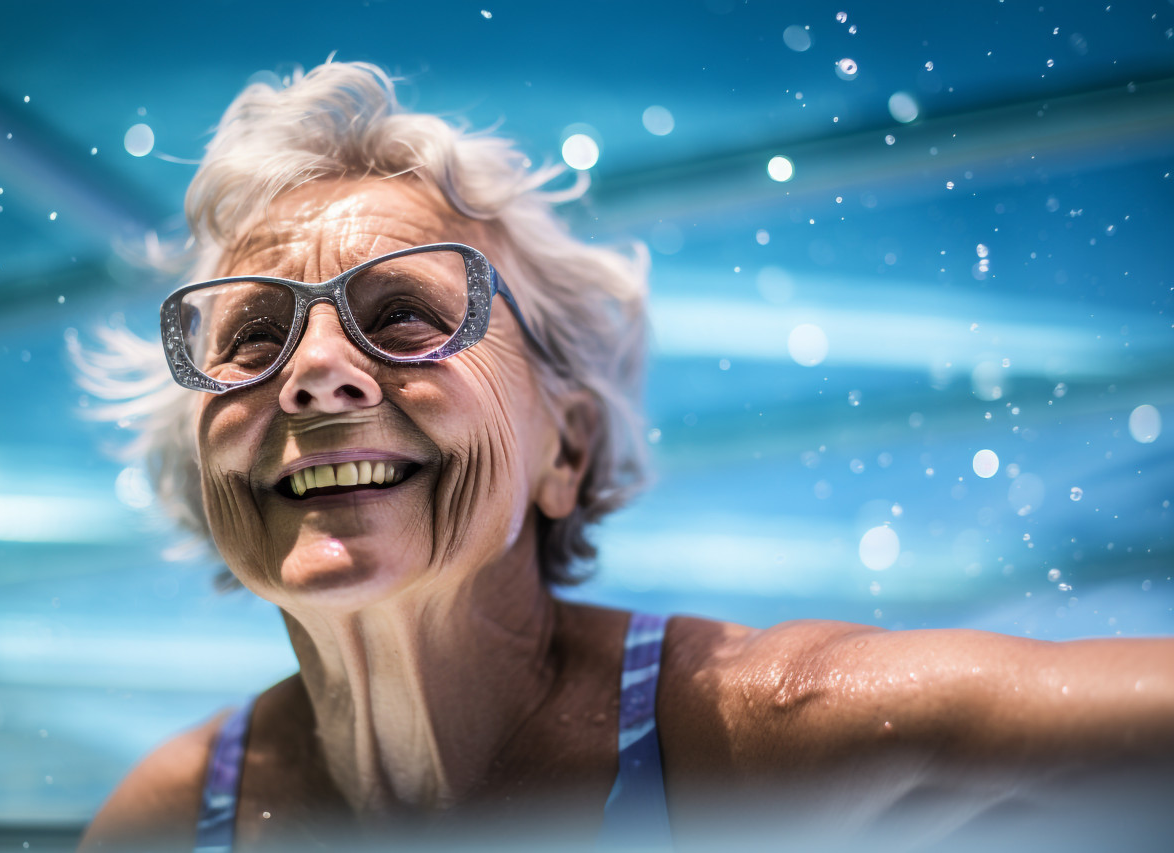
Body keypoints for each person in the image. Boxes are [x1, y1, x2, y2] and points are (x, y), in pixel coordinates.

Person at [75, 61, 1173, 852]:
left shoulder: (765, 734)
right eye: (254, 338)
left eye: (403, 316)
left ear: (568, 445)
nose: (314, 371)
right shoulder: (169, 817)